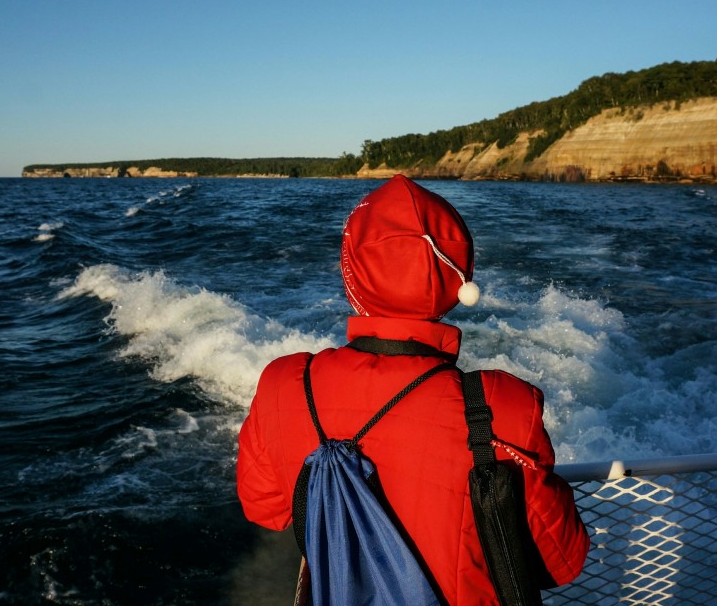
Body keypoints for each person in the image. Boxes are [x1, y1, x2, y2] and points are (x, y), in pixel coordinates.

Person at [237, 175, 589, 605]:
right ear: (460, 276)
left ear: (354, 274)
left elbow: (266, 508)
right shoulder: (504, 406)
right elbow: (562, 562)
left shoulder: (284, 384)